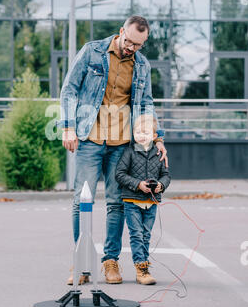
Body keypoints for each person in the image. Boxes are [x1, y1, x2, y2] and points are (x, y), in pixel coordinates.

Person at [57, 15, 168, 285]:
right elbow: (69, 90)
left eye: (138, 45)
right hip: (89, 138)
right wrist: (68, 127)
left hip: (121, 144)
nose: (131, 48)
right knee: (81, 201)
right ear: (121, 32)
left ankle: (111, 262)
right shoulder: (91, 51)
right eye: (129, 42)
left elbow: (146, 105)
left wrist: (157, 138)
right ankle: (81, 264)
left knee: (116, 203)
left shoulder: (142, 65)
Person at [115, 114, 171, 285]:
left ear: (154, 136)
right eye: (137, 132)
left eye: (145, 132)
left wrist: (161, 185)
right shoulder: (129, 152)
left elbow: (166, 175)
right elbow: (119, 174)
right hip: (132, 201)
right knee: (137, 235)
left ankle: (144, 266)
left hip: (151, 203)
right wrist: (137, 184)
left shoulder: (159, 154)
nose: (140, 135)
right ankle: (141, 268)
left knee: (146, 235)